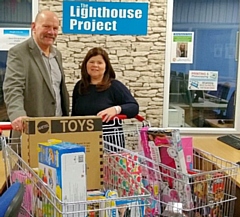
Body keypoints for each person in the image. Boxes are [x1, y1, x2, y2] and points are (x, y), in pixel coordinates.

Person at [3, 10, 69, 133]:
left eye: (55, 28)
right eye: (46, 27)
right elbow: (13, 87)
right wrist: (17, 114)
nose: (51, 32)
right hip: (32, 131)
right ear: (34, 27)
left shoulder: (57, 55)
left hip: (58, 129)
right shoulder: (19, 52)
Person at [71, 47, 139, 149]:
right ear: (86, 65)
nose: (95, 65)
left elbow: (134, 107)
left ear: (106, 66)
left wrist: (116, 109)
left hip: (109, 145)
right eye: (91, 62)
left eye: (99, 62)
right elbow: (74, 116)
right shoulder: (80, 87)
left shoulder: (115, 86)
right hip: (84, 143)